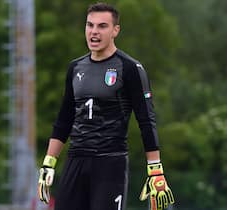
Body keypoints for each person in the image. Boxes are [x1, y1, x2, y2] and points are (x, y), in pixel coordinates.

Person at [37, 2, 174, 210]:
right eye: (89, 25)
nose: (94, 32)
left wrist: (155, 168)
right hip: (76, 160)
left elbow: (146, 120)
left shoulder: (129, 68)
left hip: (110, 164)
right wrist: (48, 163)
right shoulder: (75, 68)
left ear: (115, 30)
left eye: (102, 26)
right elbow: (64, 119)